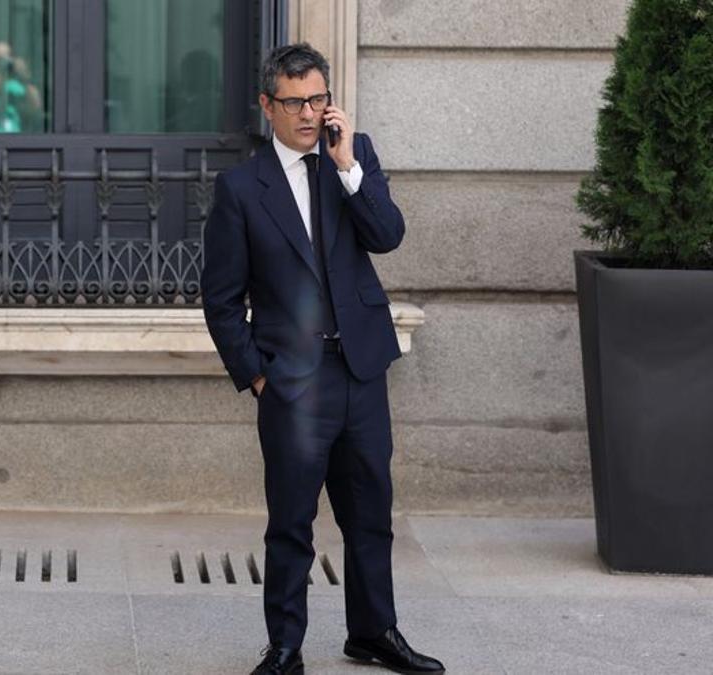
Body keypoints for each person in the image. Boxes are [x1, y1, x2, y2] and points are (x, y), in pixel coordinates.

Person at [200, 43, 445, 675]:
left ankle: (373, 632)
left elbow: (387, 235)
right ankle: (284, 647)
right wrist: (258, 375)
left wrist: (347, 169)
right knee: (291, 523)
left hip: (359, 369)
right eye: (294, 102)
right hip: (291, 382)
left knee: (371, 513)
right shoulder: (240, 189)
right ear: (267, 106)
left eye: (317, 98)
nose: (309, 113)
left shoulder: (352, 157)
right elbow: (221, 300)